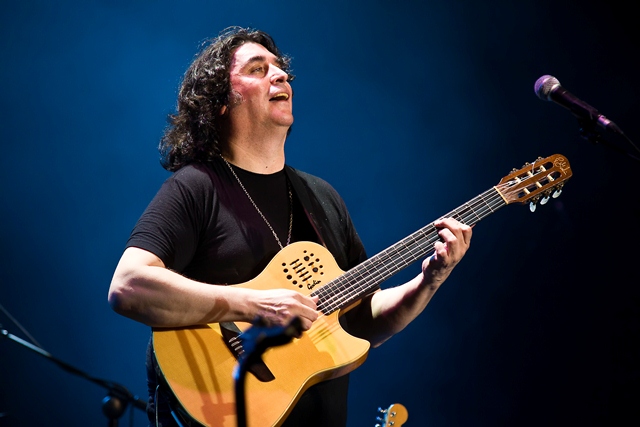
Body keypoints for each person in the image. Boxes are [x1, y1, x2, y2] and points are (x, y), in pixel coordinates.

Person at [108, 26, 472, 427]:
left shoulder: (322, 197)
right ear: (220, 102)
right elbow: (128, 286)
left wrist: (429, 281)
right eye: (257, 69)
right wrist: (256, 305)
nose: (280, 75)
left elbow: (364, 319)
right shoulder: (197, 187)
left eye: (280, 68)